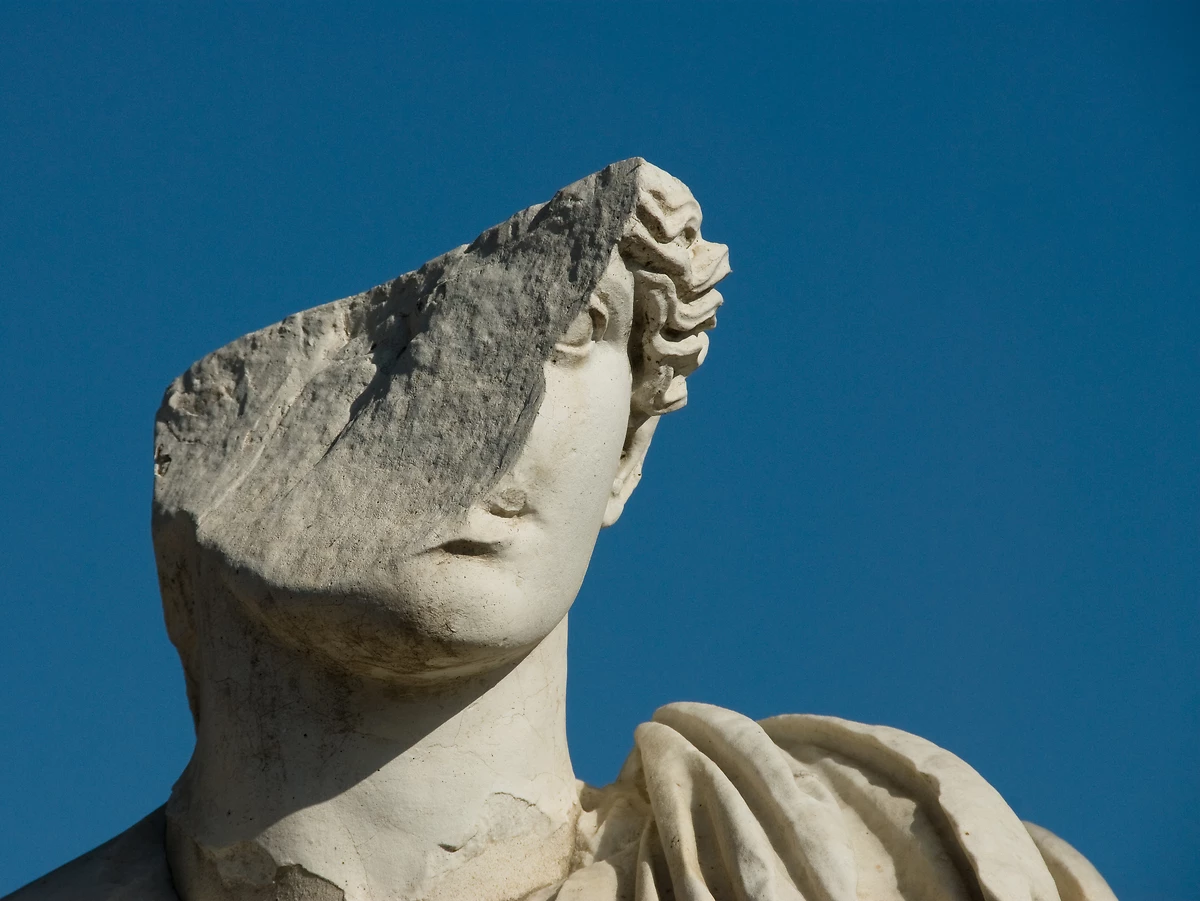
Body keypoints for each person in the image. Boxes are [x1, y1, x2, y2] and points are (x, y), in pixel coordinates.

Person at [6, 160, 1116, 901]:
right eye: (395, 355)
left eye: (576, 323)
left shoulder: (873, 864)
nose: (492, 405)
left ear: (629, 453)